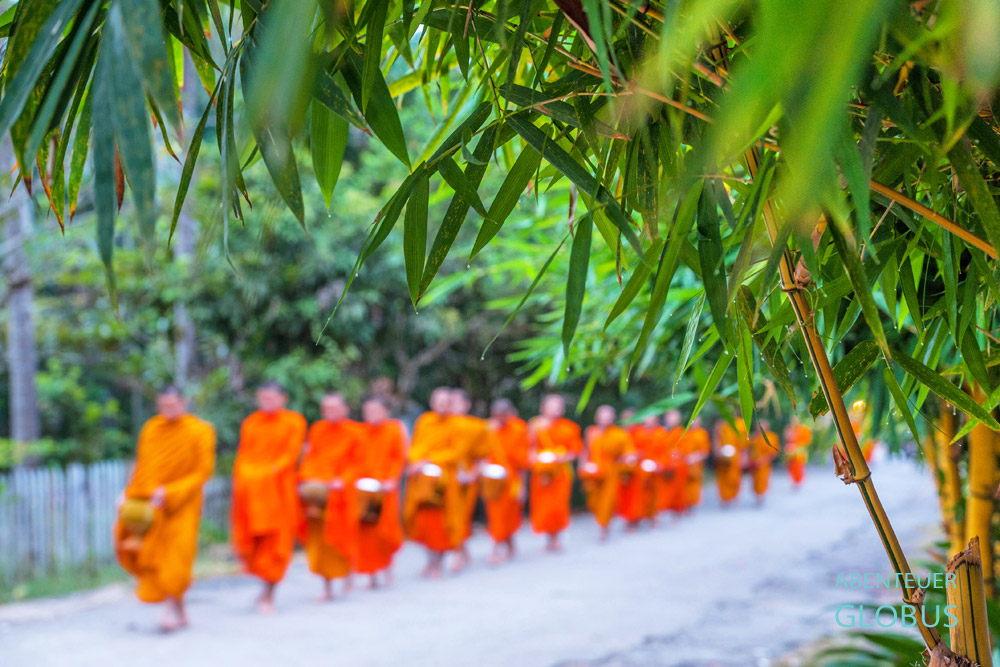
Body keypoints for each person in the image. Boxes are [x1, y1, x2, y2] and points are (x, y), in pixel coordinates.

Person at [114, 386, 215, 632]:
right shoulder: (152, 428)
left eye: (172, 405)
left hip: (184, 504)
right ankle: (178, 609)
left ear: (184, 402)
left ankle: (169, 609)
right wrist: (127, 494)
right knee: (156, 556)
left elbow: (203, 472)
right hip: (152, 504)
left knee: (177, 556)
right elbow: (143, 465)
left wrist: (170, 492)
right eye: (162, 406)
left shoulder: (200, 431)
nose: (167, 411)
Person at [231, 381, 307, 613]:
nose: (267, 403)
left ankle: (269, 594)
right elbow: (243, 455)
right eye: (263, 398)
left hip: (278, 492)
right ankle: (263, 589)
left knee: (277, 545)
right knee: (253, 543)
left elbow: (289, 456)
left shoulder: (294, 422)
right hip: (251, 492)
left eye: (272, 399)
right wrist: (244, 477)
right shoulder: (251, 423)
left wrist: (267, 472)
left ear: (283, 399)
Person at [298, 393, 363, 600]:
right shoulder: (318, 429)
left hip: (344, 493)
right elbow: (311, 457)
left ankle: (348, 572)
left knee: (343, 536)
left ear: (345, 409)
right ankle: (327, 586)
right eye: (326, 409)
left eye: (335, 408)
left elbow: (359, 463)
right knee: (322, 540)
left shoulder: (355, 431)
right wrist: (306, 478)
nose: (330, 413)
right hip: (321, 489)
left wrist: (343, 480)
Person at [404, 387, 463, 579]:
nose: (442, 406)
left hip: (445, 482)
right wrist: (415, 462)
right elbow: (416, 446)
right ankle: (429, 560)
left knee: (443, 524)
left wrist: (430, 460)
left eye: (446, 402)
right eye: (438, 402)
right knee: (423, 523)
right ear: (431, 402)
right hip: (423, 480)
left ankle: (438, 563)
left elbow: (456, 452)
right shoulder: (424, 421)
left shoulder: (456, 424)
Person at [355, 397, 407, 588]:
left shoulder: (394, 429)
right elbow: (355, 459)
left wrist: (392, 480)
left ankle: (388, 568)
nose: (371, 415)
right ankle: (371, 574)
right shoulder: (360, 431)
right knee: (367, 531)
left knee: (386, 530)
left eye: (375, 411)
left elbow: (398, 457)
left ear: (386, 411)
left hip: (386, 489)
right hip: (364, 489)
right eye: (367, 411)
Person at [528, 394, 583, 552]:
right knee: (543, 506)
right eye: (552, 405)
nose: (556, 409)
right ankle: (547, 537)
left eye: (559, 406)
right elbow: (529, 448)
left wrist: (560, 456)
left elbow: (575, 451)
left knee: (558, 506)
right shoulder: (535, 425)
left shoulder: (569, 427)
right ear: (543, 407)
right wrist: (536, 458)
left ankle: (557, 537)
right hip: (542, 473)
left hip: (560, 473)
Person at [448, 389, 492, 573]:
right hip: (444, 477)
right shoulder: (440, 424)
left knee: (461, 518)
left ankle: (459, 553)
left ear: (467, 405)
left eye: (457, 402)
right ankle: (461, 551)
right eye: (450, 402)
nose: (453, 406)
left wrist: (472, 474)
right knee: (447, 519)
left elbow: (483, 457)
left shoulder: (476, 426)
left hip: (466, 478)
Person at [484, 399, 530, 564]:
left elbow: (523, 461)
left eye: (504, 415)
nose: (501, 419)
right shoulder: (488, 430)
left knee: (510, 514)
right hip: (494, 480)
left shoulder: (518, 429)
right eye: (497, 416)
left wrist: (523, 487)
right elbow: (481, 454)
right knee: (496, 515)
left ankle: (508, 544)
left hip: (512, 480)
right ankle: (496, 548)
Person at [583, 405, 635, 541]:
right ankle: (602, 522)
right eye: (602, 415)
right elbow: (586, 451)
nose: (605, 418)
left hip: (611, 472)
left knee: (607, 501)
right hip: (593, 472)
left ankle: (604, 527)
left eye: (608, 415)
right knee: (593, 502)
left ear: (613, 418)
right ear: (596, 417)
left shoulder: (619, 433)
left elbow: (628, 452)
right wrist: (583, 466)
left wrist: (628, 459)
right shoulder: (591, 431)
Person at [619, 413, 660, 528]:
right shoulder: (619, 433)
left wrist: (635, 455)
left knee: (641, 496)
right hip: (624, 471)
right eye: (625, 420)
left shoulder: (640, 433)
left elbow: (646, 451)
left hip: (639, 470)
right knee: (625, 497)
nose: (628, 422)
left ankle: (641, 517)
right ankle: (629, 519)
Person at [659, 410, 689, 515]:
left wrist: (678, 453)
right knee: (663, 491)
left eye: (674, 417)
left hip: (679, 466)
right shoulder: (662, 432)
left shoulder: (682, 432)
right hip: (665, 466)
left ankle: (678, 511)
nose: (671, 419)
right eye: (669, 417)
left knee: (678, 491)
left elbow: (686, 449)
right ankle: (662, 510)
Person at [678, 416, 712, 511]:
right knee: (685, 485)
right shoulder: (684, 433)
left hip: (696, 464)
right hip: (684, 463)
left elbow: (705, 451)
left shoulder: (702, 433)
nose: (694, 423)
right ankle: (685, 504)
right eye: (693, 421)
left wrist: (696, 457)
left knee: (695, 484)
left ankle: (693, 503)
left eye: (697, 421)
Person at [714, 417, 747, 506]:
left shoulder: (741, 424)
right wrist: (717, 451)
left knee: (735, 478)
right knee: (723, 478)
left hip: (736, 456)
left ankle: (735, 497)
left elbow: (744, 443)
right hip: (723, 456)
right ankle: (724, 499)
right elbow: (717, 440)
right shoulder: (721, 424)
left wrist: (744, 456)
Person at [748, 420, 779, 506]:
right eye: (758, 426)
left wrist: (764, 460)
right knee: (755, 481)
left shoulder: (771, 436)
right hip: (754, 463)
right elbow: (750, 450)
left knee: (763, 479)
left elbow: (773, 451)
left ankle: (761, 496)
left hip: (764, 463)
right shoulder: (754, 437)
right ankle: (757, 496)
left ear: (766, 427)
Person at [784, 415, 812, 488]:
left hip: (799, 453)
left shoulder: (802, 429)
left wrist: (797, 444)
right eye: (793, 421)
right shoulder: (789, 429)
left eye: (795, 421)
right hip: (790, 453)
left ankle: (799, 481)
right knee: (791, 467)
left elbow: (807, 440)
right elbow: (787, 440)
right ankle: (794, 481)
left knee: (799, 467)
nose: (794, 422)